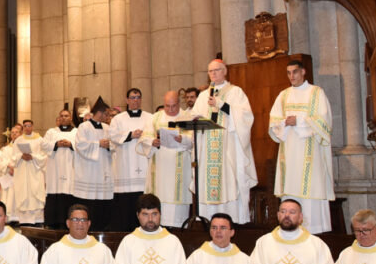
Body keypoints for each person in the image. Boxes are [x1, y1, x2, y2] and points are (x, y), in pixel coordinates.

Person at [269, 60, 334, 233]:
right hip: (289, 154)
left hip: (310, 156)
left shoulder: (316, 93)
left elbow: (324, 122)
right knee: (291, 189)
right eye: (289, 73)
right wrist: (284, 122)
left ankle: (314, 230)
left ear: (303, 72)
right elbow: (273, 122)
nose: (292, 76)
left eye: (295, 72)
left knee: (311, 190)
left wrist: (299, 121)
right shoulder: (283, 96)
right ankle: (290, 229)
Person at [190, 59, 257, 224]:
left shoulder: (235, 92)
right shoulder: (204, 96)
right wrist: (196, 118)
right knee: (207, 182)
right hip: (207, 148)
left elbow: (245, 117)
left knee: (229, 181)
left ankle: (231, 219)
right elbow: (194, 116)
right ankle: (207, 219)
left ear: (225, 71)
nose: (213, 74)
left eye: (217, 70)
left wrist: (221, 104)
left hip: (228, 147)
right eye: (210, 71)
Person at [140, 91, 194, 227]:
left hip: (179, 174)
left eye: (174, 106)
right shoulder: (155, 118)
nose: (170, 109)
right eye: (167, 106)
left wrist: (183, 139)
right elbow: (144, 139)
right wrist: (153, 142)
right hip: (159, 173)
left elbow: (195, 141)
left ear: (179, 103)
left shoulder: (187, 117)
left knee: (177, 215)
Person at [109, 89, 153, 232]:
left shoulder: (150, 118)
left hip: (144, 165)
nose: (135, 100)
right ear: (127, 100)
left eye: (138, 97)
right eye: (132, 98)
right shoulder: (118, 119)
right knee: (126, 205)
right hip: (125, 168)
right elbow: (113, 136)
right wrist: (130, 135)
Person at [74, 98, 113, 231]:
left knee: (103, 203)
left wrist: (109, 146)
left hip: (104, 169)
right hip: (89, 171)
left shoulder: (108, 128)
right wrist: (98, 144)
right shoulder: (84, 127)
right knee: (90, 204)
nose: (107, 117)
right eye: (106, 114)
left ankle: (102, 229)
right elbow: (80, 145)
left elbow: (114, 146)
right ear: (100, 113)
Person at [2, 121, 46, 225]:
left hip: (35, 171)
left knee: (35, 192)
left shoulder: (40, 140)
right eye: (25, 126)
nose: (27, 128)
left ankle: (37, 219)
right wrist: (20, 156)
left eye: (29, 126)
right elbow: (14, 155)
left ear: (32, 126)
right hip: (22, 171)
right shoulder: (19, 140)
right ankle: (24, 220)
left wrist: (33, 157)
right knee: (23, 193)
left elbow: (44, 156)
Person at [41, 110, 77, 229]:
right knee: (54, 192)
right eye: (61, 116)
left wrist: (71, 144)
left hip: (70, 168)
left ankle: (69, 221)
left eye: (66, 116)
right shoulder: (52, 132)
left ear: (71, 118)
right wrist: (56, 144)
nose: (63, 118)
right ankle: (53, 222)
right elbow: (44, 145)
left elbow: (81, 145)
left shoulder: (77, 132)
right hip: (54, 169)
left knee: (69, 191)